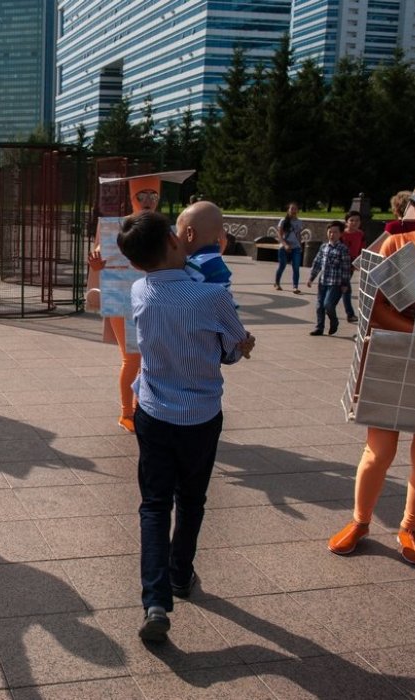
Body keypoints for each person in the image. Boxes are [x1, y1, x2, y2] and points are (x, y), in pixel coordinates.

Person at [116, 210, 255, 643]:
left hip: (153, 412)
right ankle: (180, 575)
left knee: (154, 505)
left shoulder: (140, 290)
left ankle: (155, 600)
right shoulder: (211, 297)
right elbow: (232, 349)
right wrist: (242, 345)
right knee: (191, 499)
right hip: (200, 416)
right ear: (175, 244)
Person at [328, 181, 415, 565]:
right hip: (393, 356)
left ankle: (409, 528)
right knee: (379, 451)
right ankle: (360, 521)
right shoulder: (397, 244)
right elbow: (372, 305)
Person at [87, 176, 160, 433]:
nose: (148, 200)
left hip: (154, 300)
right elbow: (100, 251)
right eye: (142, 195)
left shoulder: (162, 228)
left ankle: (142, 408)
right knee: (132, 358)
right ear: (132, 198)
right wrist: (97, 264)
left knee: (148, 358)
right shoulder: (117, 227)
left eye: (153, 194)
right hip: (122, 298)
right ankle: (127, 413)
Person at [177, 200, 234, 303]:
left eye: (178, 231)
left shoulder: (194, 266)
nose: (176, 237)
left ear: (190, 234)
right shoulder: (216, 260)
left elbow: (180, 295)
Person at [306, 221, 351, 336]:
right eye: (330, 232)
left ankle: (334, 321)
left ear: (340, 234)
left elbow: (346, 267)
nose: (332, 234)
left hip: (335, 284)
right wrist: (311, 277)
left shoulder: (343, 249)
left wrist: (345, 283)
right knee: (319, 306)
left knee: (328, 305)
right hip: (323, 282)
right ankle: (319, 327)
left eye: (335, 232)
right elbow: (317, 262)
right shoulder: (324, 247)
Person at [339, 211, 364, 322]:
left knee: (342, 289)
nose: (354, 223)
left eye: (357, 220)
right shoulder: (341, 234)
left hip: (352, 264)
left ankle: (327, 305)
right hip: (340, 264)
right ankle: (350, 314)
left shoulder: (360, 234)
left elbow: (362, 250)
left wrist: (357, 263)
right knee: (345, 289)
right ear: (346, 222)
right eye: (351, 220)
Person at [274, 202, 303, 293]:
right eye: (292, 209)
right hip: (284, 247)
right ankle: (277, 283)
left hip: (295, 247)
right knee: (282, 265)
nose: (293, 211)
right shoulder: (283, 221)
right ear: (288, 210)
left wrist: (300, 245)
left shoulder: (299, 222)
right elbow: (279, 235)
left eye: (295, 209)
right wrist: (285, 245)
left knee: (296, 267)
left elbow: (298, 235)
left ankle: (295, 286)